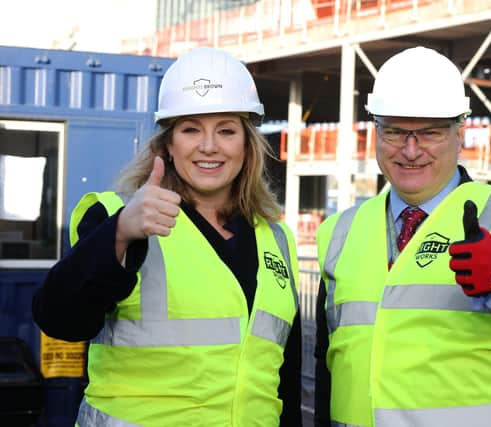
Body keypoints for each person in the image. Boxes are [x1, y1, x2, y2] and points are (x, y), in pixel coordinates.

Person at [32, 47, 302, 426]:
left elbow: (284, 380)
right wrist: (121, 234)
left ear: (247, 145)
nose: (209, 146)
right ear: (169, 146)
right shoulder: (116, 217)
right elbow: (60, 319)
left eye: (226, 130)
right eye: (191, 129)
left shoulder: (276, 238)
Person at [313, 46, 491, 427]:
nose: (411, 151)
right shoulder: (339, 232)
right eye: (395, 132)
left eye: (429, 133)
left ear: (459, 134)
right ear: (376, 133)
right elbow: (327, 359)